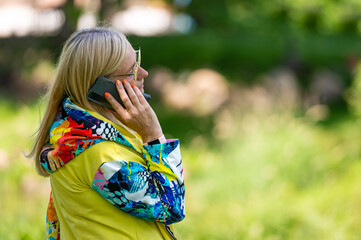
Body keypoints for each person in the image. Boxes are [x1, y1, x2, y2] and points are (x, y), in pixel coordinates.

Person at [27, 26, 186, 240]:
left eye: (137, 61)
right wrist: (154, 135)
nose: (143, 73)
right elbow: (171, 207)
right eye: (132, 70)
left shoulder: (83, 134)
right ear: (102, 87)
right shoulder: (99, 154)